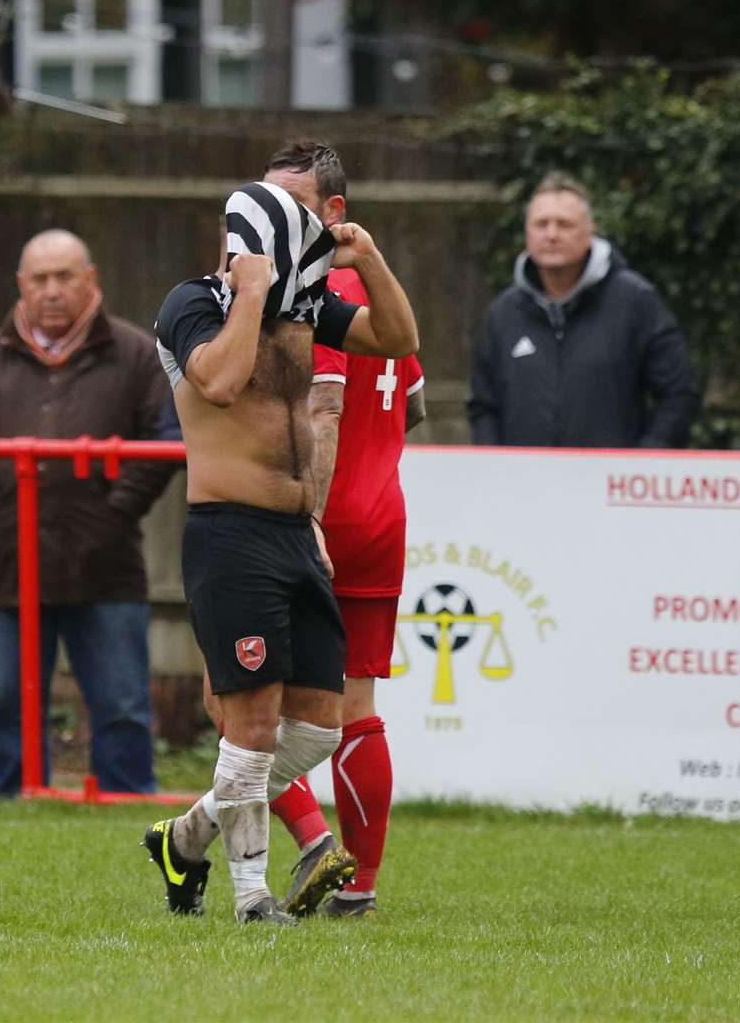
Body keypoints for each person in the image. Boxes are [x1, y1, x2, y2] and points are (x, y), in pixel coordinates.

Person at [143, 181, 419, 924]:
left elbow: (397, 339)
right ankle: (252, 897)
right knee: (253, 728)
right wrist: (251, 292)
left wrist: (372, 260)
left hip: (300, 536)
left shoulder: (306, 309)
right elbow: (224, 382)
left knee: (318, 729)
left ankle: (184, 838)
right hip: (230, 532)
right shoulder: (192, 302)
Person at [0, 229, 176, 798]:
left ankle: (127, 804)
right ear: (21, 285)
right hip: (9, 568)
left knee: (121, 705)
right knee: (4, 702)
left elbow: (165, 441)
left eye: (64, 277)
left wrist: (112, 517)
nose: (51, 290)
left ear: (90, 280)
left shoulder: (136, 353)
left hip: (109, 569)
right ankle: (18, 801)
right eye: (39, 279)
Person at [256, 139, 426, 919]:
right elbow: (409, 406)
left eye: (287, 207)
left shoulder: (313, 293)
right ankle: (360, 886)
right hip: (380, 514)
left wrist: (312, 515)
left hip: (315, 519)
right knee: (356, 708)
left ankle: (318, 842)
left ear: (332, 214)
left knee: (238, 705)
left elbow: (323, 413)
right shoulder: (379, 292)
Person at [468, 172, 698, 448]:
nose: (551, 235)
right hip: (524, 486)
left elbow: (678, 393)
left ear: (590, 231)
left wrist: (644, 460)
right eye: (541, 224)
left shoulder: (636, 301)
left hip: (609, 486)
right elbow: (483, 405)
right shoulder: (503, 314)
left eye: (564, 224)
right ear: (527, 232)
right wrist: (494, 465)